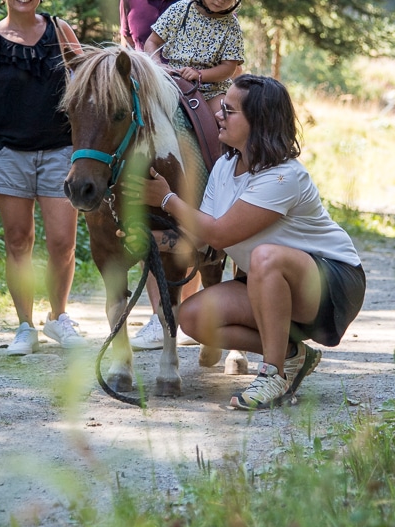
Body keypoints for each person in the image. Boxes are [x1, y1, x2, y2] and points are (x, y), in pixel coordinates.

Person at [138, 74, 366, 410]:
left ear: (257, 122)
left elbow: (219, 233)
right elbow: (204, 243)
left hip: (332, 285)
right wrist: (150, 241)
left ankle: (273, 373)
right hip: (269, 283)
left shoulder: (284, 176)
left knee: (265, 256)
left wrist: (168, 199)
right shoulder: (224, 168)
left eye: (228, 111)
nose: (218, 114)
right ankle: (292, 356)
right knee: (195, 316)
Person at [0, 0, 86, 356]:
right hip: (8, 153)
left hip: (59, 151)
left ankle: (58, 317)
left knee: (62, 242)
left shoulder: (60, 30)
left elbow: (86, 85)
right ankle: (24, 326)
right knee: (18, 240)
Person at [120, 0, 200, 350]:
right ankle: (158, 315)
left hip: (196, 96)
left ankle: (193, 306)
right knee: (150, 205)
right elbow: (127, 52)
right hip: (149, 111)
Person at [144, 0, 262, 115]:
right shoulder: (179, 11)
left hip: (211, 90)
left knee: (228, 117)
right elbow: (151, 42)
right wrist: (158, 67)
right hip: (171, 81)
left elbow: (229, 67)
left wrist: (200, 75)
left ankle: (231, 144)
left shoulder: (231, 26)